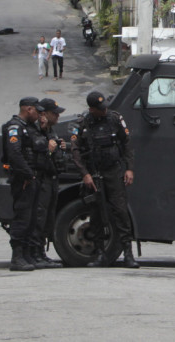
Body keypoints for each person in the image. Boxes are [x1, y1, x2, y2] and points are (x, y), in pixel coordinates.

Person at [71, 90, 138, 268]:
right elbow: (75, 150)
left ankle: (128, 255)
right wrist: (84, 173)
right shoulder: (84, 123)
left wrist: (129, 169)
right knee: (96, 214)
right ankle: (100, 253)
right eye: (100, 108)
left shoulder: (115, 119)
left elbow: (127, 144)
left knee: (121, 211)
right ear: (92, 109)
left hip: (113, 172)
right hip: (94, 174)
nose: (104, 111)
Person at [1, 97, 47, 271]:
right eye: (37, 111)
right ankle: (17, 256)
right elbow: (14, 154)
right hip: (23, 179)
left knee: (32, 218)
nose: (39, 115)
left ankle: (27, 254)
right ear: (28, 109)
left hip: (32, 177)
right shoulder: (15, 127)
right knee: (23, 217)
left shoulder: (30, 128)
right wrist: (28, 174)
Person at [31, 98, 67, 269]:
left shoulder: (51, 130)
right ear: (44, 114)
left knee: (48, 219)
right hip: (42, 178)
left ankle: (42, 254)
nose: (58, 116)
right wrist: (49, 148)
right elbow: (37, 154)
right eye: (55, 113)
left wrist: (60, 149)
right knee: (39, 217)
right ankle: (36, 254)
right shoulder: (37, 130)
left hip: (52, 178)